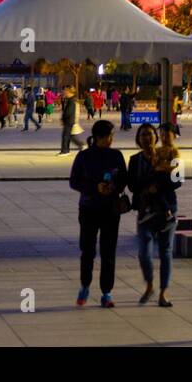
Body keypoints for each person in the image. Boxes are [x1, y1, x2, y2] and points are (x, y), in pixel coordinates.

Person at [68, 119, 127, 307]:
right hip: (89, 208)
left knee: (108, 251)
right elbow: (74, 181)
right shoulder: (84, 156)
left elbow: (124, 180)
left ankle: (106, 292)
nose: (111, 139)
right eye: (110, 136)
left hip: (111, 210)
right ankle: (85, 285)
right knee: (88, 250)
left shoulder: (116, 155)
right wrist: (95, 188)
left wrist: (114, 187)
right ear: (101, 137)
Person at [128, 123, 179, 307]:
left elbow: (178, 180)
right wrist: (147, 187)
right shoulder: (134, 160)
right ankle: (149, 285)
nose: (146, 138)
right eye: (143, 135)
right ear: (138, 139)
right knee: (144, 253)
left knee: (166, 252)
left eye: (150, 134)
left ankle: (164, 292)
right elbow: (132, 185)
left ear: (156, 137)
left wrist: (159, 185)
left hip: (168, 208)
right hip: (145, 210)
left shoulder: (168, 153)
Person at [58, 85, 86, 155]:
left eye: (65, 91)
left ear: (68, 92)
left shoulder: (72, 100)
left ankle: (65, 151)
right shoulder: (71, 99)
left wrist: (63, 118)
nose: (64, 92)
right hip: (70, 120)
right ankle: (79, 145)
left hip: (69, 121)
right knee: (69, 135)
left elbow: (69, 112)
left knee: (66, 136)